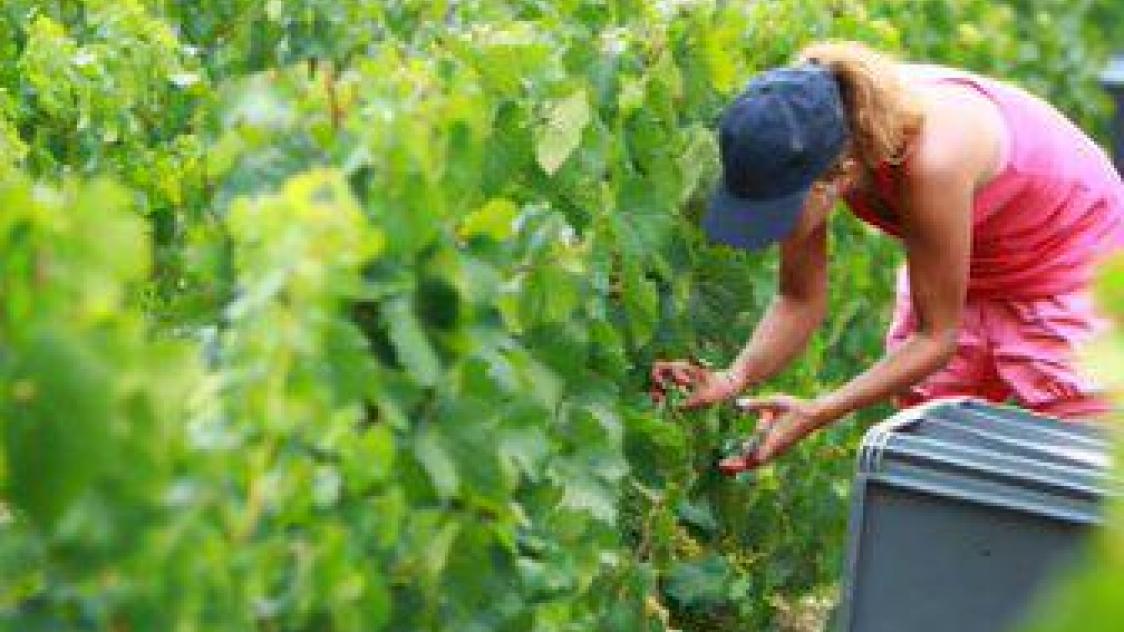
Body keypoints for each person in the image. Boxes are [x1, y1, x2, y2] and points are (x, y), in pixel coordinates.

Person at [650, 41, 1124, 473]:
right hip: (971, 255)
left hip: (1071, 261)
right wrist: (732, 379)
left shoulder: (932, 160)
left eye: (783, 212)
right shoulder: (801, 127)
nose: (781, 229)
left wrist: (818, 411)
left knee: (1085, 468)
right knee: (930, 459)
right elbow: (798, 300)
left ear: (840, 176)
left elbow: (936, 340)